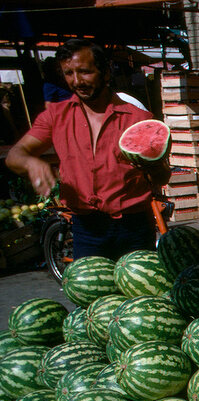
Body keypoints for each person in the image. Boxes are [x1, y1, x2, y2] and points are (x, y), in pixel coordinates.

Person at [5, 39, 169, 260]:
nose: (76, 81)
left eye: (84, 72)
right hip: (86, 230)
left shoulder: (138, 119)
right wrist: (32, 163)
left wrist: (154, 164)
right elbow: (15, 155)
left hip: (133, 227)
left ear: (106, 72)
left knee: (138, 292)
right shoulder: (56, 116)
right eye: (69, 73)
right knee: (90, 294)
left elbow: (162, 175)